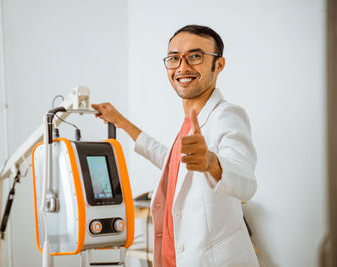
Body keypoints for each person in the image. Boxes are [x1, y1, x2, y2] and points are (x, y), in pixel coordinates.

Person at [92, 25, 259, 267]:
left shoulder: (228, 115)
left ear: (219, 64)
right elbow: (171, 161)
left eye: (195, 56)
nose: (182, 66)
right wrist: (120, 121)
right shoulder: (190, 122)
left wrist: (210, 161)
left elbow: (245, 181)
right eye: (174, 58)